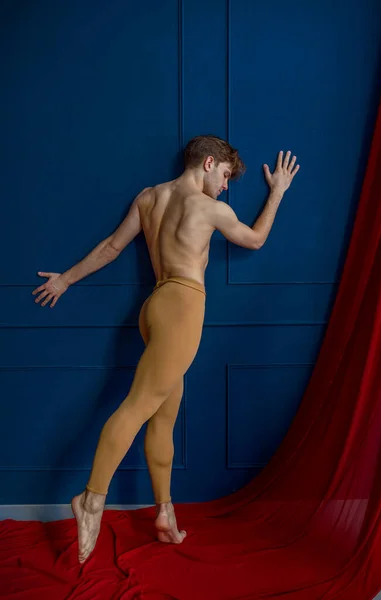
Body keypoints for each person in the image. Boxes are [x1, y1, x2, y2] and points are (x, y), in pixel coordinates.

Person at [32, 135, 300, 563]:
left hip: (153, 306)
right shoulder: (211, 208)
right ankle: (91, 499)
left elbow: (111, 247)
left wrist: (65, 279)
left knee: (164, 413)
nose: (226, 186)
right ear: (209, 163)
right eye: (227, 176)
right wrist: (278, 193)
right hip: (182, 306)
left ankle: (164, 513)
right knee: (139, 406)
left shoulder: (149, 197)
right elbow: (255, 240)